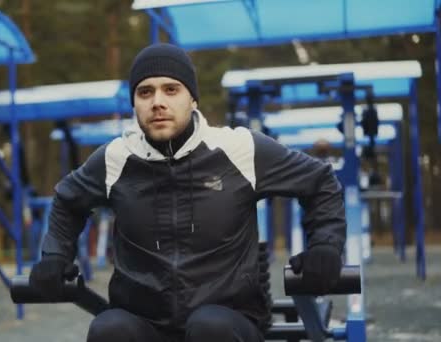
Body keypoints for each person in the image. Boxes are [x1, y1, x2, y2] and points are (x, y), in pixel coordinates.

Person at [29, 43, 346, 342]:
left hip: (229, 319)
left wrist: (326, 246)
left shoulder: (238, 148)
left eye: (171, 89)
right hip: (144, 321)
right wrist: (55, 256)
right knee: (108, 330)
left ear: (192, 99)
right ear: (135, 103)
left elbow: (320, 182)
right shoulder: (115, 159)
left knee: (208, 327)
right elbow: (67, 201)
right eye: (145, 92)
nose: (157, 102)